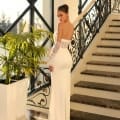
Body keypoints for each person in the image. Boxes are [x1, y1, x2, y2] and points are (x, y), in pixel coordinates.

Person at [47, 4, 74, 120]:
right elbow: (65, 43)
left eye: (61, 15)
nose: (59, 18)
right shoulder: (71, 26)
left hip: (58, 58)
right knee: (64, 90)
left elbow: (58, 45)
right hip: (67, 58)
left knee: (57, 91)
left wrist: (50, 60)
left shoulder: (61, 25)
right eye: (58, 16)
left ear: (67, 13)